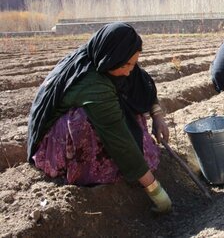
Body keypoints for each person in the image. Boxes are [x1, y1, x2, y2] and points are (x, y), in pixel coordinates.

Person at [27, 22, 172, 213]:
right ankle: (89, 170)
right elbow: (120, 140)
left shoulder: (106, 58)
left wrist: (157, 115)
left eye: (133, 62)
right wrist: (156, 191)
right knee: (85, 120)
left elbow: (141, 82)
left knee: (125, 100)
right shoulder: (92, 82)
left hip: (101, 111)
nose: (130, 70)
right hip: (55, 141)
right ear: (111, 58)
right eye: (126, 64)